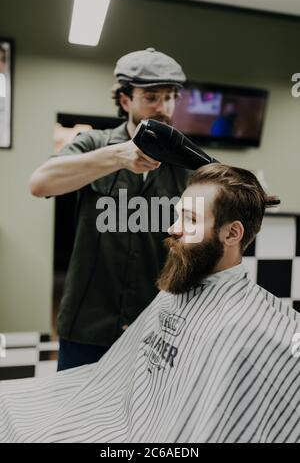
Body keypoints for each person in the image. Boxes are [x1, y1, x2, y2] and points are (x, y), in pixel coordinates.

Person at [2, 163, 299, 443]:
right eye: (178, 214)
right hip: (122, 414)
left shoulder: (257, 327)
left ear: (232, 233)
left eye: (191, 219)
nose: (173, 227)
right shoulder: (179, 287)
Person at [29, 48, 190, 371]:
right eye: (152, 97)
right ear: (125, 100)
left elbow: (195, 244)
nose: (164, 107)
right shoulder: (93, 144)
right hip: (87, 323)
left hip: (152, 326)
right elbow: (40, 183)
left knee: (141, 418)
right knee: (76, 415)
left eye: (170, 97)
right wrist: (117, 157)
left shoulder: (184, 164)